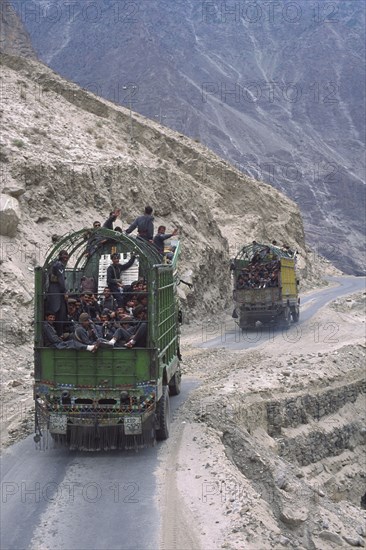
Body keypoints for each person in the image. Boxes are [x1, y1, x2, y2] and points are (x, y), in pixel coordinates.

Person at [46, 249, 69, 335]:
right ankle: (59, 334)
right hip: (57, 292)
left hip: (53, 291)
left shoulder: (54, 264)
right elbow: (61, 280)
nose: (66, 259)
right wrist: (64, 292)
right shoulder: (59, 265)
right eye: (65, 257)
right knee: (60, 314)